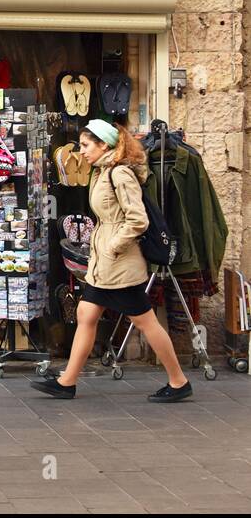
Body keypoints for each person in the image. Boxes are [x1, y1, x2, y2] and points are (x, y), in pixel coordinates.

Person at [31, 119, 192, 403]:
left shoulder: (120, 174)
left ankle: (178, 381)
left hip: (119, 265)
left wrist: (113, 247)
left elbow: (138, 220)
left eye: (85, 145)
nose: (81, 152)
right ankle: (67, 381)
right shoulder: (102, 171)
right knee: (86, 314)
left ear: (103, 144)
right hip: (106, 262)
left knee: (145, 321)